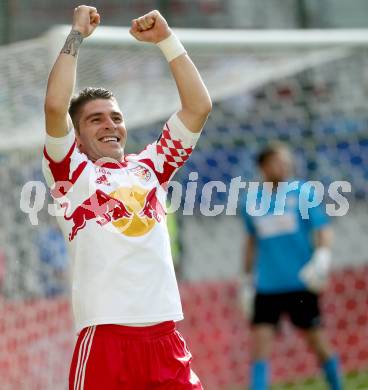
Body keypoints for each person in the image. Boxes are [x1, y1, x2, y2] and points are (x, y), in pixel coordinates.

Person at [42, 6, 211, 389]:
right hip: (105, 341)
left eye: (115, 117)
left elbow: (198, 107)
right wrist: (76, 35)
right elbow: (55, 107)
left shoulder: (151, 167)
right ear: (77, 136)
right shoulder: (71, 172)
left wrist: (167, 41)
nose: (110, 125)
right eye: (95, 119)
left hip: (166, 338)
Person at [239, 143, 342, 390]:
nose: (285, 166)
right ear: (263, 167)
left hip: (300, 284)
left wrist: (322, 257)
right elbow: (251, 241)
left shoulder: (303, 193)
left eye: (287, 161)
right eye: (278, 161)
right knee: (259, 350)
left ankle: (338, 386)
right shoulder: (250, 201)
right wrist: (245, 281)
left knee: (317, 343)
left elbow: (322, 229)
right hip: (267, 287)